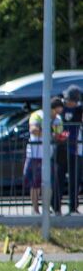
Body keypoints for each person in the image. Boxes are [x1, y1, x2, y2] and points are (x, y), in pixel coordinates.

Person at [24, 96, 66, 215]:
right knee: (35, 184)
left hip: (49, 155)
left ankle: (47, 209)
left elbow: (58, 135)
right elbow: (34, 130)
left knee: (49, 183)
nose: (56, 115)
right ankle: (35, 209)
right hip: (35, 154)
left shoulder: (58, 119)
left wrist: (56, 135)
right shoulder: (37, 115)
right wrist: (51, 132)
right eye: (55, 111)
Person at [60, 86, 81, 214]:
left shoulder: (79, 110)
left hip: (75, 149)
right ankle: (56, 206)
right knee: (59, 178)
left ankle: (73, 206)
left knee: (75, 180)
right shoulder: (60, 108)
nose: (67, 101)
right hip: (61, 148)